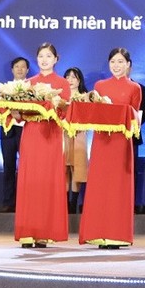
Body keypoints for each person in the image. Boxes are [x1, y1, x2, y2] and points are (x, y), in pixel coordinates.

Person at [79, 48, 142, 248]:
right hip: (101, 142)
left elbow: (135, 117)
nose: (117, 65)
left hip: (121, 143)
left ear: (128, 65)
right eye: (113, 61)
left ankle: (117, 234)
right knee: (100, 186)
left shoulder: (135, 88)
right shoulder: (99, 85)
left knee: (118, 187)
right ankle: (97, 232)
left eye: (121, 61)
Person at [15, 42, 71, 248]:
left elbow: (65, 112)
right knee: (29, 181)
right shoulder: (28, 83)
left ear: (56, 59)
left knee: (46, 182)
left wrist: (54, 107)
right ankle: (27, 232)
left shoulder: (62, 83)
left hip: (51, 136)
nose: (44, 60)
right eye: (41, 56)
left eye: (48, 56)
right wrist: (13, 111)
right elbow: (20, 115)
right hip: (31, 135)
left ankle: (43, 233)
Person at [0, 57, 29, 213]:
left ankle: (25, 202)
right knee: (8, 167)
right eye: (17, 66)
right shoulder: (4, 89)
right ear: (12, 69)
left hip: (26, 130)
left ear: (27, 70)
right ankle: (8, 202)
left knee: (27, 168)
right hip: (8, 131)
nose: (20, 69)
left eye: (23, 67)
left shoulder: (32, 89)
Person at [63, 67, 88, 214]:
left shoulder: (85, 97)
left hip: (79, 135)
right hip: (62, 134)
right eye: (67, 77)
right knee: (63, 169)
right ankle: (65, 202)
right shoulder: (59, 97)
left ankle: (73, 203)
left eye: (74, 77)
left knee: (77, 168)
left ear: (79, 80)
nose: (70, 80)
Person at [128, 65, 145, 215]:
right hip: (110, 136)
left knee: (131, 170)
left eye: (122, 62)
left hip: (132, 136)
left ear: (129, 66)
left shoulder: (140, 88)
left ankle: (131, 204)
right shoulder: (104, 87)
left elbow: (144, 112)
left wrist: (133, 124)